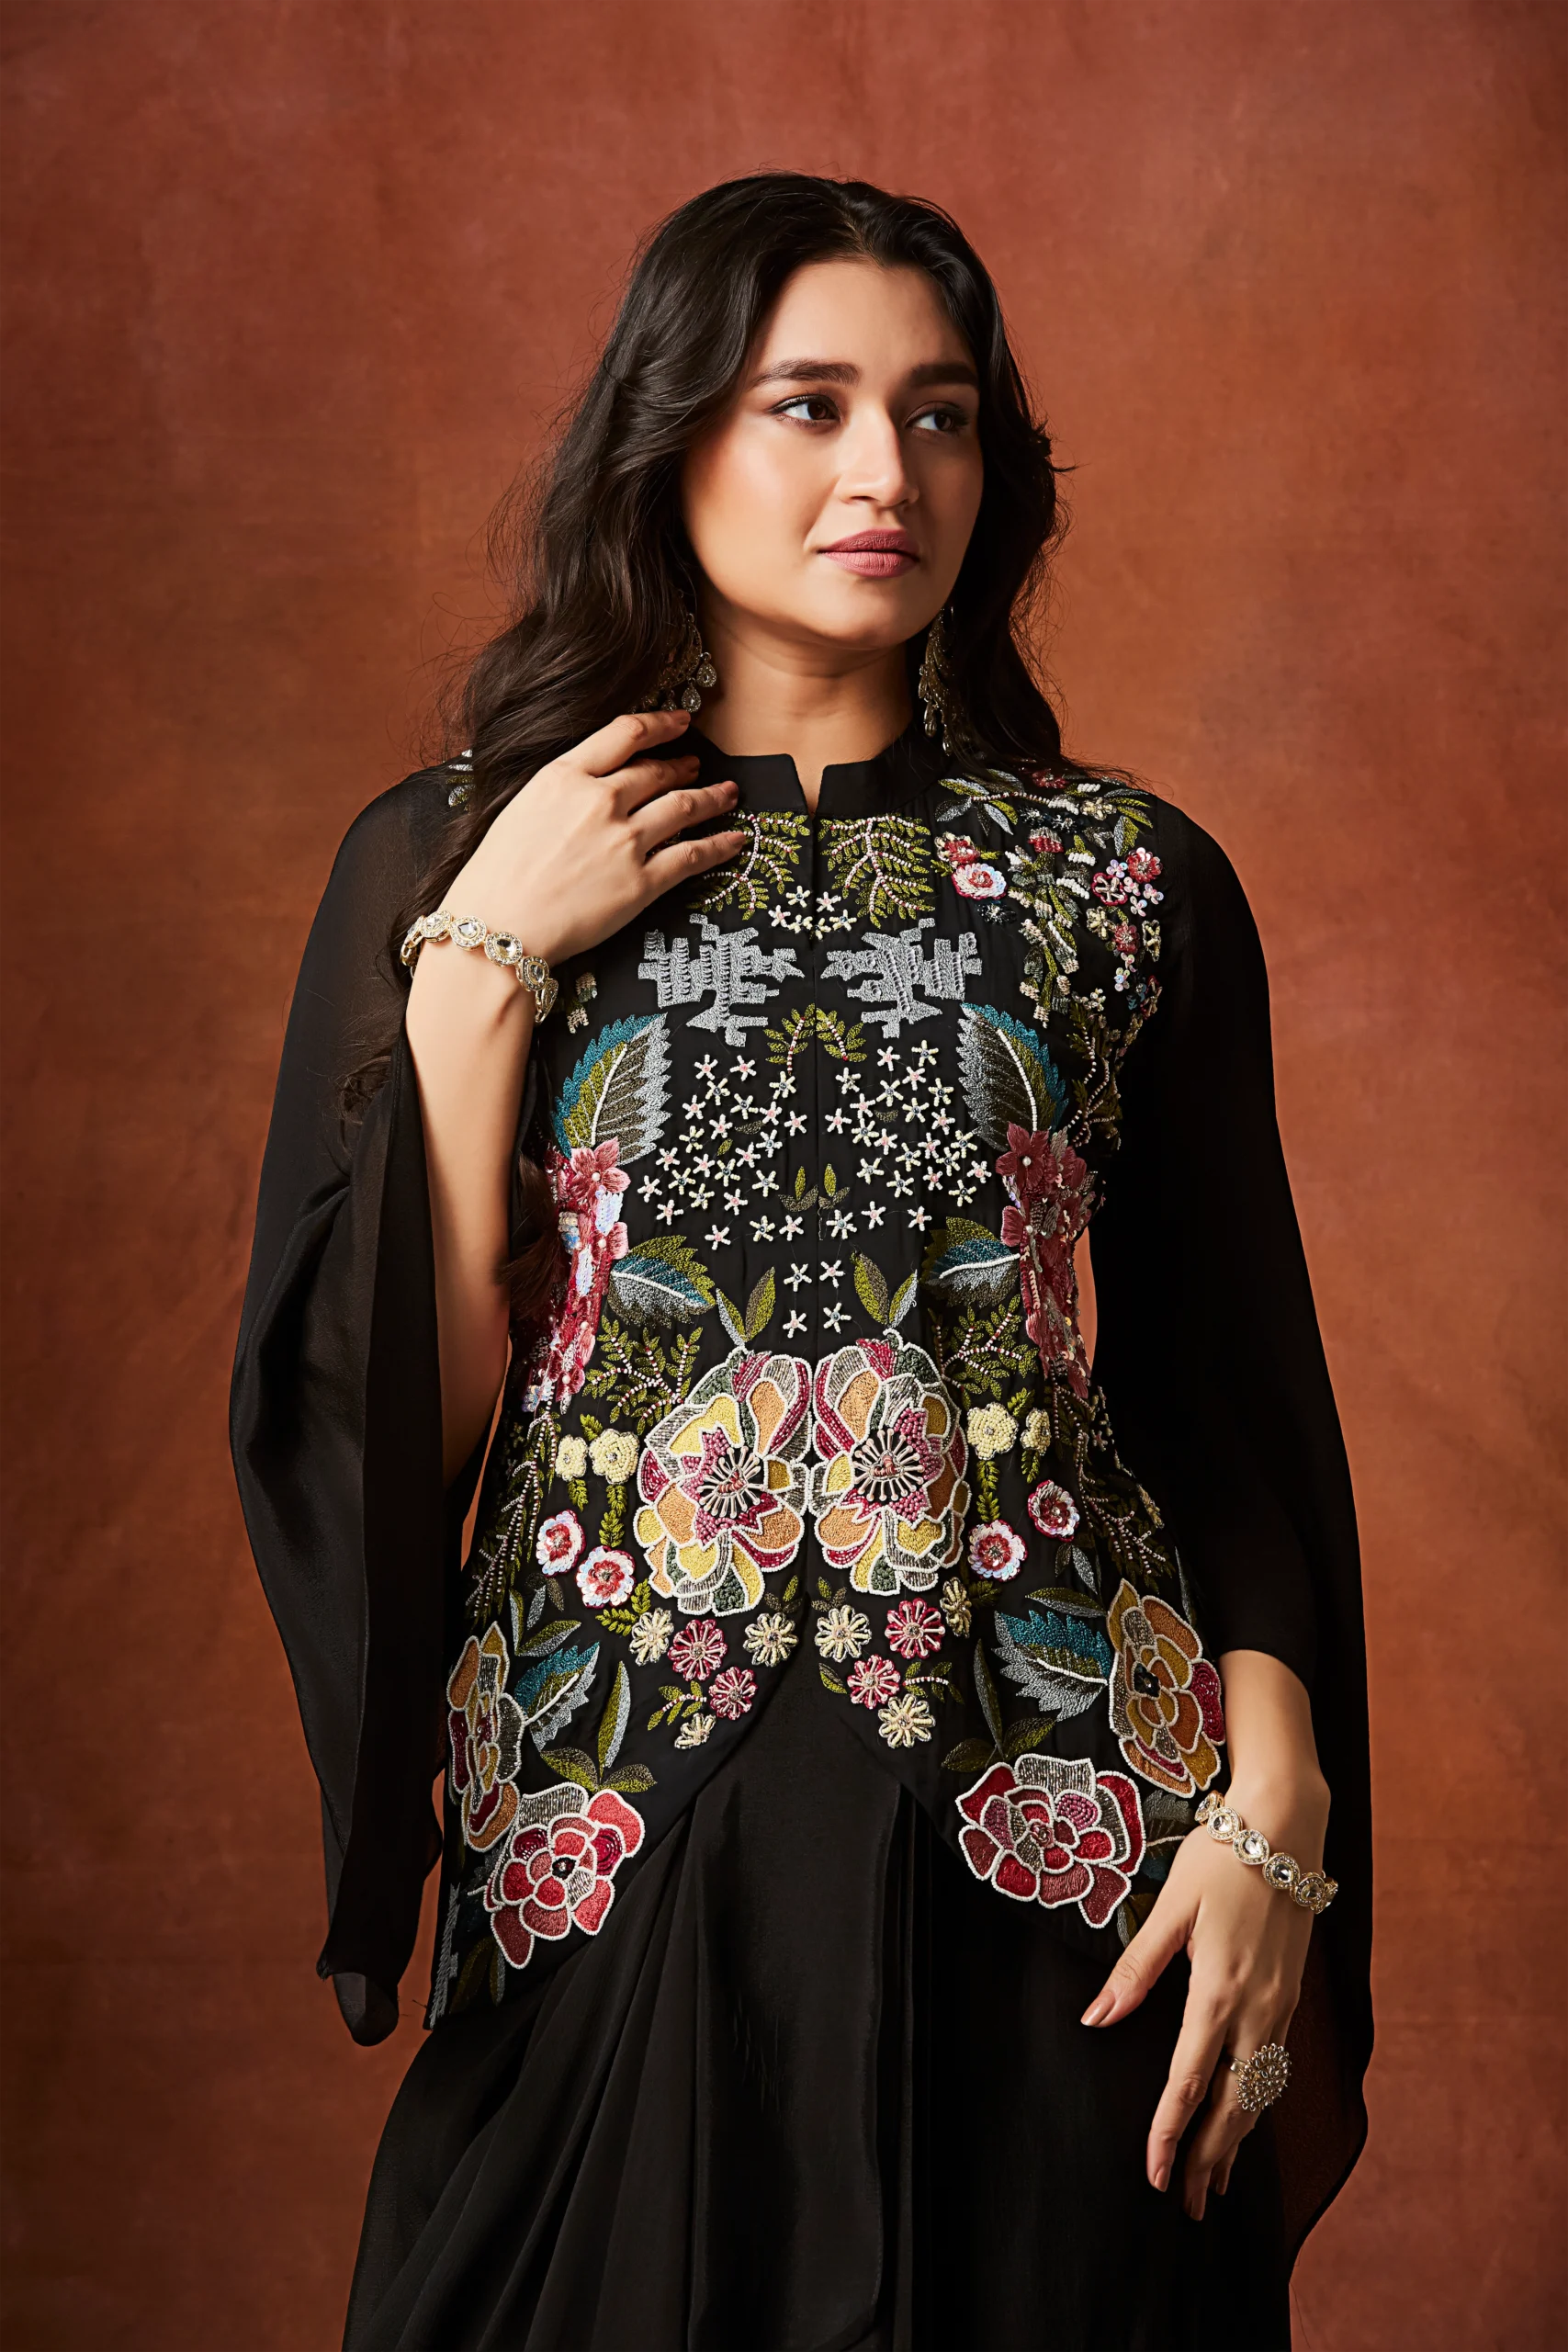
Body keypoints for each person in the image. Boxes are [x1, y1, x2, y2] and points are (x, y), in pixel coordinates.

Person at [231, 173, 1371, 2352]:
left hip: (1064, 1842)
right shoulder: (453, 849)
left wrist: (1275, 1815)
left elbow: (1231, 1415)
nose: (887, 473)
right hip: (624, 1826)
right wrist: (477, 969)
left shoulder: (1123, 880)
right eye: (810, 404)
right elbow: (396, 1435)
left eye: (940, 415)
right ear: (668, 437)